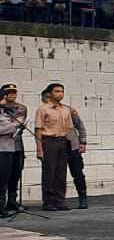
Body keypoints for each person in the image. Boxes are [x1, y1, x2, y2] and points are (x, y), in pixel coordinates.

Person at [34, 83, 74, 211]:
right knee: (49, 172)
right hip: (49, 141)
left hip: (63, 141)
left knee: (61, 173)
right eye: (57, 91)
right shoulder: (43, 109)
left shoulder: (66, 109)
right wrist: (39, 148)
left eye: (62, 91)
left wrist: (73, 146)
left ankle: (60, 201)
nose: (60, 94)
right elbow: (38, 129)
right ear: (50, 93)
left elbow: (70, 129)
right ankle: (49, 202)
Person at [1, 84, 28, 211]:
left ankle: (12, 201)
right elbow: (12, 124)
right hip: (4, 145)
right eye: (9, 92)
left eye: (14, 92)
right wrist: (14, 125)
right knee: (3, 174)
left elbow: (20, 123)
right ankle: (2, 204)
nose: (12, 95)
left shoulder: (21, 107)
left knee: (16, 172)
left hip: (17, 144)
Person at [65, 100, 89, 208]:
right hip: (56, 146)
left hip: (73, 145)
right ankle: (56, 200)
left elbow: (80, 126)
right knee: (57, 175)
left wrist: (82, 142)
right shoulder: (45, 110)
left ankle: (83, 198)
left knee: (78, 173)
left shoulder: (69, 110)